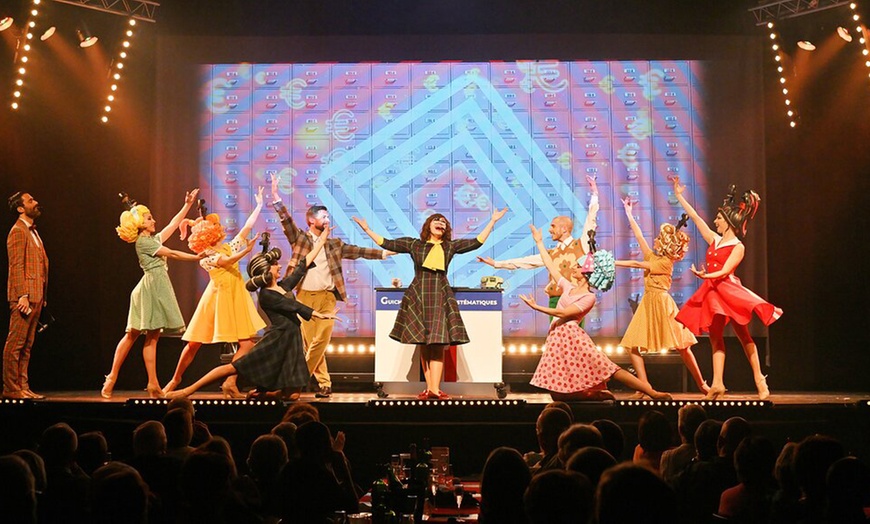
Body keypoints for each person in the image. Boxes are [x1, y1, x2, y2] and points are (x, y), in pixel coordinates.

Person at [353, 207, 508, 400]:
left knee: (437, 342)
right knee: (424, 342)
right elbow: (387, 242)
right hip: (418, 292)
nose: (441, 222)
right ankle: (431, 388)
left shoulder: (449, 246)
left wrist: (492, 221)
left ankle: (434, 389)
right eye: (437, 219)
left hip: (440, 292)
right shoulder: (415, 244)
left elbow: (476, 242)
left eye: (444, 222)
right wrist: (367, 229)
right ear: (428, 225)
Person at [166, 226, 337, 401]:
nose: (279, 266)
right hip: (275, 341)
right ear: (266, 270)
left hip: (291, 342)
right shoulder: (267, 295)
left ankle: (263, 394)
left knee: (293, 395)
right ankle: (188, 390)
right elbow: (293, 307)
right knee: (233, 367)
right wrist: (318, 314)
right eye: (275, 265)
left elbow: (303, 265)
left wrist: (321, 241)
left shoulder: (283, 286)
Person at [521, 224, 673, 401]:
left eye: (578, 268)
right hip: (557, 338)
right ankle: (596, 394)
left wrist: (535, 307)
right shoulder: (567, 286)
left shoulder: (588, 297)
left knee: (608, 368)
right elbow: (550, 265)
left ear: (586, 274)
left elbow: (564, 314)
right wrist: (539, 242)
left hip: (573, 337)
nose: (574, 269)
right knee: (560, 391)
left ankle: (652, 393)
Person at [271, 175, 391, 398]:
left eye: (328, 216)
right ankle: (325, 384)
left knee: (321, 341)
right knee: (310, 344)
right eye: (323, 216)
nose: (327, 220)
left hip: (327, 297)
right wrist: (277, 198)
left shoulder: (334, 243)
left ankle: (298, 381)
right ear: (311, 220)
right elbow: (287, 222)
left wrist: (383, 253)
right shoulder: (301, 239)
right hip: (304, 297)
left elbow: (357, 251)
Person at [672, 177, 782, 400]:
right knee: (715, 337)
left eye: (719, 218)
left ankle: (759, 379)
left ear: (729, 221)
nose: (715, 221)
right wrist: (678, 196)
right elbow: (695, 217)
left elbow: (725, 272)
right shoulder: (714, 238)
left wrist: (705, 275)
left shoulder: (738, 246)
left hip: (728, 291)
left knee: (743, 335)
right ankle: (718, 383)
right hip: (712, 292)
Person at [162, 188, 266, 398]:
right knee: (194, 343)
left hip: (236, 297)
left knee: (246, 344)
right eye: (216, 225)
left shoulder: (229, 246)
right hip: (217, 298)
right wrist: (246, 251)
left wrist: (260, 205)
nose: (220, 226)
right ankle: (175, 379)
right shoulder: (205, 256)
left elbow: (247, 227)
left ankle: (231, 380)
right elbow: (225, 262)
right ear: (209, 233)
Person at [101, 190, 204, 399]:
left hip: (156, 286)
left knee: (151, 336)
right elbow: (173, 253)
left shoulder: (153, 239)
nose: (154, 220)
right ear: (140, 223)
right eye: (149, 218)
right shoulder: (144, 242)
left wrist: (187, 205)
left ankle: (151, 383)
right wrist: (196, 258)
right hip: (151, 288)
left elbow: (173, 224)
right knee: (134, 334)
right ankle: (113, 377)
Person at [614, 197, 708, 397]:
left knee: (683, 346)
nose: (656, 241)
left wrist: (612, 262)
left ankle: (702, 384)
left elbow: (637, 265)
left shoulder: (665, 262)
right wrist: (629, 213)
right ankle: (644, 387)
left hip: (662, 305)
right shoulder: (654, 257)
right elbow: (639, 237)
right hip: (648, 304)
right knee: (632, 346)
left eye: (660, 239)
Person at [478, 175, 600, 312]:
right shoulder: (551, 254)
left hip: (576, 299)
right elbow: (525, 262)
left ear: (564, 229)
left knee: (572, 331)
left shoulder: (581, 245)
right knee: (555, 332)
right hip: (555, 298)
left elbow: (591, 220)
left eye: (553, 226)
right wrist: (496, 263)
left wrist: (594, 193)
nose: (550, 230)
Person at [3, 192, 49, 400]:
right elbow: (16, 265)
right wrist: (21, 294)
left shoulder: (33, 232)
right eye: (31, 200)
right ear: (21, 208)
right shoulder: (18, 231)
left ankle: (23, 386)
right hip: (24, 296)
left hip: (36, 295)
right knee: (16, 344)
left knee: (27, 345)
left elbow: (39, 264)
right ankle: (11, 388)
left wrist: (42, 294)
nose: (36, 202)